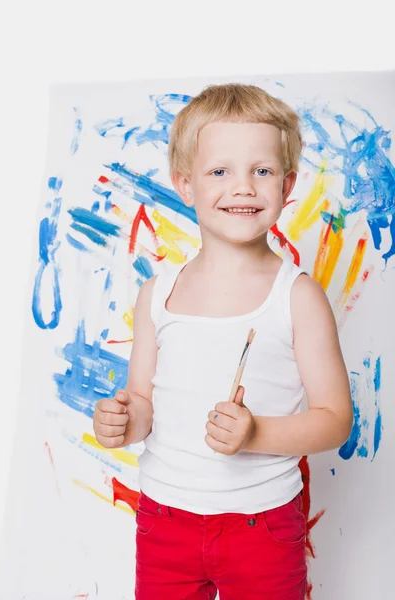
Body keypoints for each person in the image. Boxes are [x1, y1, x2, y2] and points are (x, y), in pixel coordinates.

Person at [93, 83, 353, 599]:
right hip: (165, 521)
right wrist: (123, 421)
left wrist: (255, 435)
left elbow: (336, 421)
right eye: (220, 172)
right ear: (185, 185)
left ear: (288, 184)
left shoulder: (297, 297)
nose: (243, 187)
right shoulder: (157, 293)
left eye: (262, 171)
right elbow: (144, 404)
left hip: (262, 527)